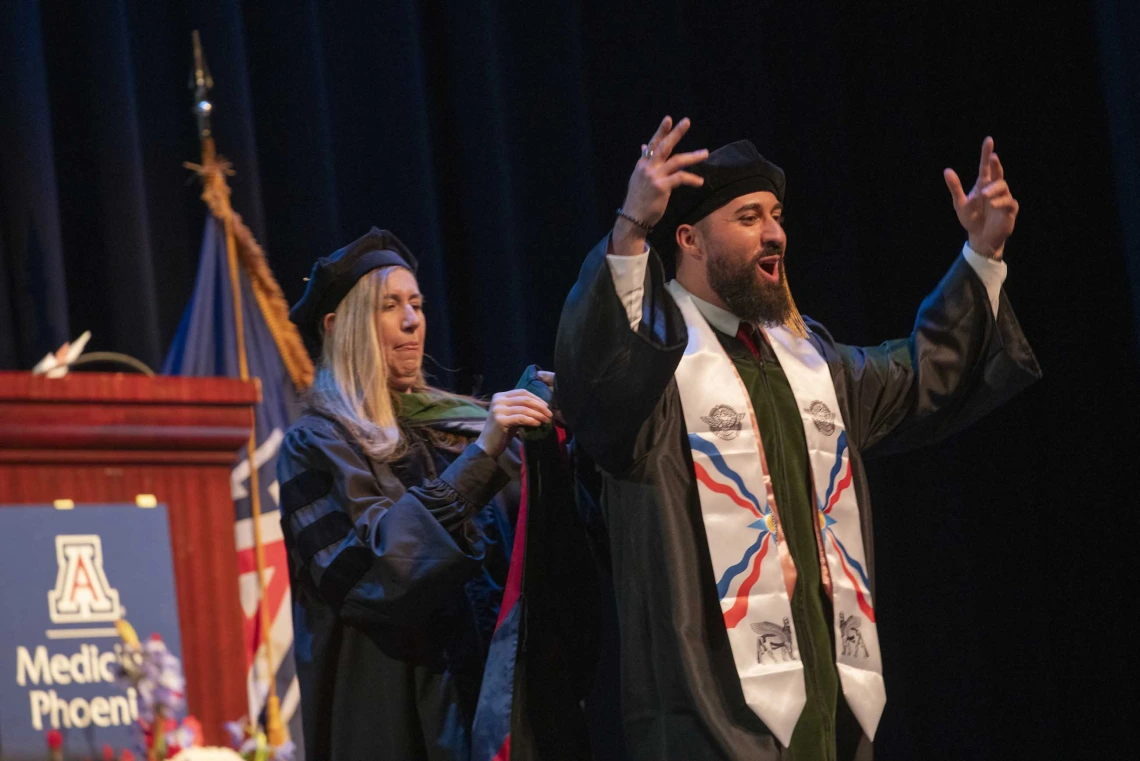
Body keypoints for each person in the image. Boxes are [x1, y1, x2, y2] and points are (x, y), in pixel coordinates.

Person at [554, 117, 1041, 761]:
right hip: (711, 722)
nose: (776, 232)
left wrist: (981, 255)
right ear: (690, 238)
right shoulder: (653, 368)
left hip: (828, 714)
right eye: (750, 216)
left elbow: (920, 374)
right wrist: (629, 229)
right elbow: (598, 388)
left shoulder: (810, 358)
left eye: (777, 215)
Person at [279, 228, 553, 761]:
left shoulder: (460, 429)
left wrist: (555, 436)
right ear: (338, 326)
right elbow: (380, 575)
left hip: (491, 714)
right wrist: (483, 458)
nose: (412, 320)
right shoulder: (317, 446)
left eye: (417, 304)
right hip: (391, 718)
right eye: (390, 305)